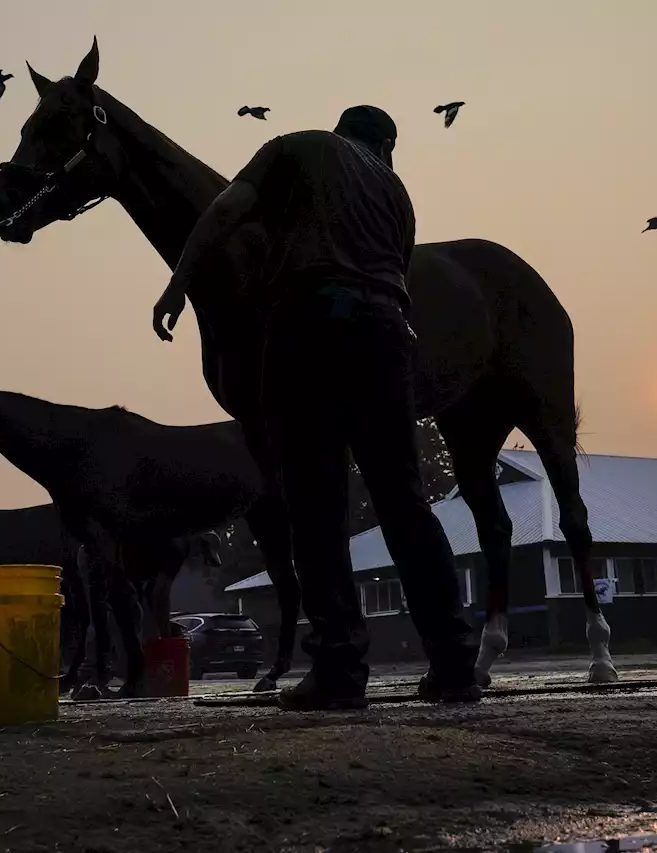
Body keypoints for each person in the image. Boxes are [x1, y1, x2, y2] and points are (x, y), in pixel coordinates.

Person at [152, 106, 480, 710]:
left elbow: (224, 211)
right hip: (386, 337)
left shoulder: (296, 146)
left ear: (341, 130)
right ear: (385, 144)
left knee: (314, 502)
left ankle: (339, 669)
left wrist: (179, 283)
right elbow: (399, 278)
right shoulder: (396, 192)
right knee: (405, 502)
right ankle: (456, 664)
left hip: (308, 324)